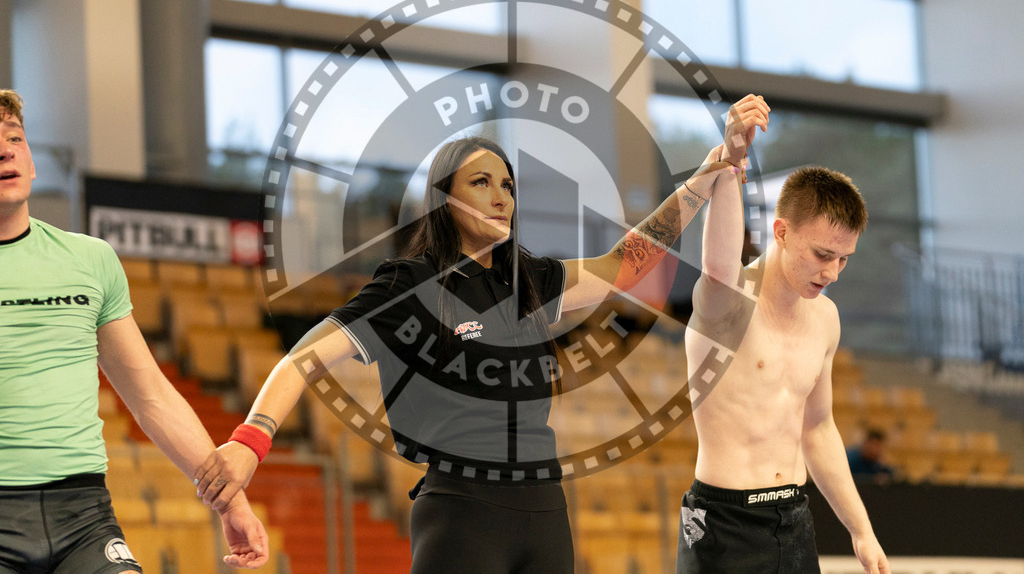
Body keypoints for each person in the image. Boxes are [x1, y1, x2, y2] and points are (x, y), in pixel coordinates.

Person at [193, 116, 764, 573]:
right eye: (482, 183)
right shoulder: (406, 284)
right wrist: (251, 441)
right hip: (460, 511)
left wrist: (702, 181)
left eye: (508, 186)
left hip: (544, 505)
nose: (501, 198)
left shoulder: (533, 281)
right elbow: (303, 359)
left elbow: (627, 264)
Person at [0, 89, 268, 573]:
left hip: (83, 516)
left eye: (15, 137)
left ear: (33, 163)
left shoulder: (90, 259)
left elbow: (151, 398)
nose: (6, 150)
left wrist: (232, 502)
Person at [678, 94, 889, 573]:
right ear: (781, 231)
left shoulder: (826, 320)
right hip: (723, 523)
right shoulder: (728, 303)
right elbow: (717, 266)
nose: (832, 272)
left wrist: (862, 529)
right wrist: (731, 155)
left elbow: (817, 428)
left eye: (843, 259)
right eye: (821, 255)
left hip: (793, 521)